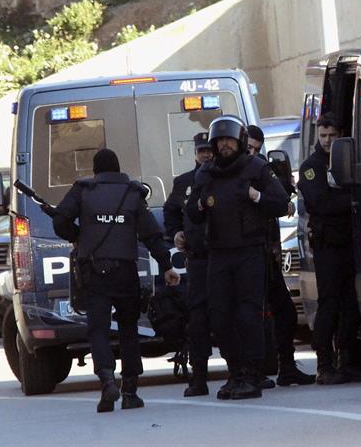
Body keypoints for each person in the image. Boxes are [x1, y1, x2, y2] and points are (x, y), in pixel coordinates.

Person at [52, 148, 181, 413]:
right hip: (125, 272)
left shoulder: (83, 190)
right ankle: (130, 390)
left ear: (96, 171)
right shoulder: (132, 193)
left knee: (98, 329)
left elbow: (59, 219)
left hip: (94, 272)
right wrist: (167, 266)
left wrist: (77, 235)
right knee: (128, 330)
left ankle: (107, 381)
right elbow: (151, 236)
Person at [186, 115, 289, 400]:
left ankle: (253, 375)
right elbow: (192, 213)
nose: (225, 146)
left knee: (248, 315)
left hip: (249, 251)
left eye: (229, 140)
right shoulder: (206, 173)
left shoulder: (257, 168)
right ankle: (235, 372)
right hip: (218, 254)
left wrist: (257, 197)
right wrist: (199, 203)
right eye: (220, 141)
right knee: (220, 317)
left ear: (240, 142)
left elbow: (281, 203)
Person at [298, 113, 361, 385]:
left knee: (350, 305)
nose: (328, 141)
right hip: (328, 245)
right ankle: (324, 364)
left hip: (350, 243)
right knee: (328, 305)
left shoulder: (346, 162)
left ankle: (349, 362)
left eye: (332, 136)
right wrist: (352, 202)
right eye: (323, 136)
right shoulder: (312, 167)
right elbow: (320, 202)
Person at [245, 124, 316, 387]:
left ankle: (286, 366)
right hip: (243, 256)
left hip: (267, 253)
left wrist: (264, 196)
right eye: (247, 147)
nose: (251, 153)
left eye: (255, 148)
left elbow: (281, 200)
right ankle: (250, 371)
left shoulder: (261, 169)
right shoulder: (229, 173)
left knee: (284, 312)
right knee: (248, 315)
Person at [163, 132, 214, 397]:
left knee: (232, 316)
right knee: (198, 319)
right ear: (195, 152)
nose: (205, 154)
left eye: (209, 150)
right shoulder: (184, 182)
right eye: (201, 150)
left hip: (223, 258)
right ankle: (199, 376)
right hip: (197, 261)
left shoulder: (222, 176)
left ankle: (244, 371)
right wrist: (175, 232)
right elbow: (170, 211)